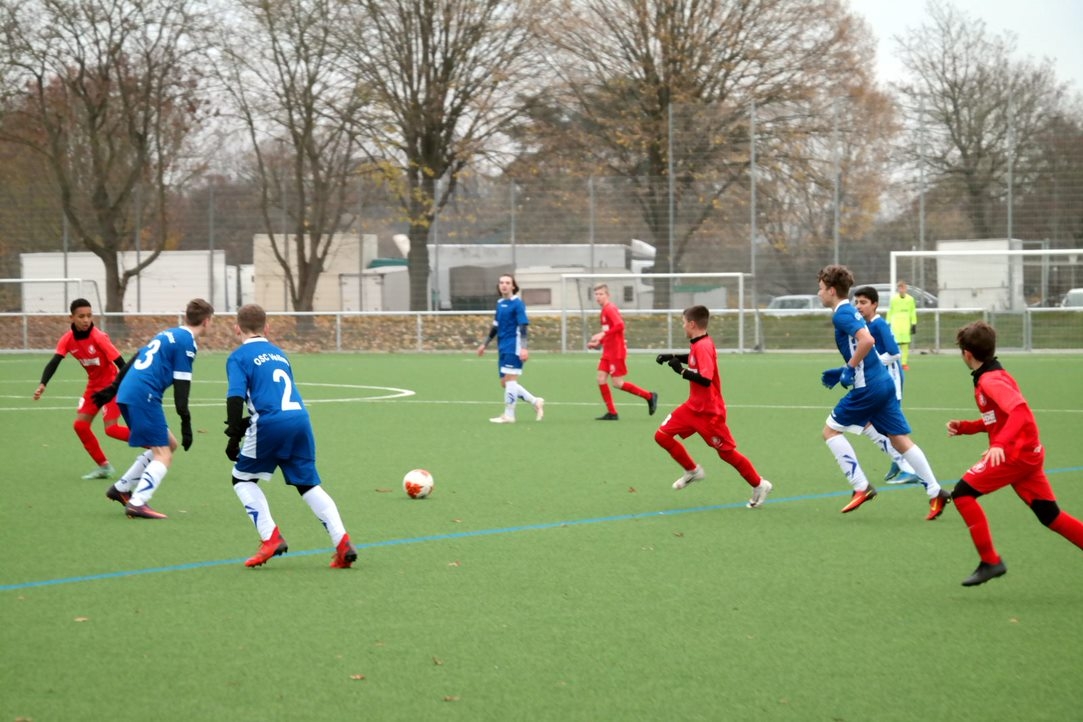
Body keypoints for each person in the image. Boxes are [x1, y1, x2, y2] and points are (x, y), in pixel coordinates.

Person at [947, 321, 1083, 586]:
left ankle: (990, 561)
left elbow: (1020, 411)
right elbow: (1000, 418)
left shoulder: (991, 380)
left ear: (967, 354)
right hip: (1026, 453)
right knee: (1050, 515)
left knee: (962, 494)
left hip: (1015, 455)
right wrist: (967, 427)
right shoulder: (992, 374)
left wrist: (999, 445)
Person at [224, 304, 357, 569]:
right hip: (300, 421)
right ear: (267, 328)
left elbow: (235, 398)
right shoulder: (279, 354)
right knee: (308, 485)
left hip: (270, 423)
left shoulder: (238, 357)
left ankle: (270, 538)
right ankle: (342, 543)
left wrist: (233, 437)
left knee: (242, 479)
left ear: (237, 328)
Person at [817, 265, 948, 519]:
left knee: (830, 431)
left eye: (821, 288)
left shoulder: (841, 314)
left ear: (832, 291)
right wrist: (845, 368)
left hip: (868, 387)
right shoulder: (850, 311)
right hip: (883, 382)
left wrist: (850, 368)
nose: (819, 293)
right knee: (900, 440)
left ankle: (861, 486)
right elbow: (864, 347)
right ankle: (935, 491)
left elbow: (867, 341)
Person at [93, 298, 215, 519]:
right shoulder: (187, 342)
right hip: (144, 395)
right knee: (163, 454)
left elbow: (135, 358)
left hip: (129, 392)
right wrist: (186, 424)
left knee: (169, 444)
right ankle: (138, 502)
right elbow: (182, 389)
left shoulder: (168, 333)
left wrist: (113, 389)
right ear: (206, 321)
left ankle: (121, 489)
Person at [654, 305, 772, 509]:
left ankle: (760, 484)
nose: (683, 326)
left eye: (683, 322)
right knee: (662, 436)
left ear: (692, 324)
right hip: (692, 407)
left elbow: (706, 379)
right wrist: (671, 356)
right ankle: (693, 471)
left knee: (726, 453)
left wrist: (681, 371)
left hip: (709, 413)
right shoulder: (698, 343)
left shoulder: (704, 346)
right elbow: (693, 358)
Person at [33, 299, 130, 479]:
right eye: (81, 316)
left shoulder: (98, 337)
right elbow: (54, 362)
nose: (86, 320)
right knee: (80, 426)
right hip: (93, 386)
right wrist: (42, 383)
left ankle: (154, 444)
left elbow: (121, 363)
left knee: (111, 429)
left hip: (111, 385)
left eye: (89, 316)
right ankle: (104, 467)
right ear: (72, 318)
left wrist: (126, 384)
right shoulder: (67, 339)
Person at [850, 286, 920, 485]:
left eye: (863, 302)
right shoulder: (865, 325)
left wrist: (874, 362)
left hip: (891, 380)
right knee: (878, 425)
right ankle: (899, 461)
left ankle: (907, 466)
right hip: (878, 381)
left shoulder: (879, 324)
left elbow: (895, 352)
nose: (859, 306)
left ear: (874, 304)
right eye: (857, 302)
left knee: (888, 426)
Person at [476, 273, 544, 424]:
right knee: (505, 383)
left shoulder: (517, 304)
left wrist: (524, 348)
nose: (504, 285)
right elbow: (495, 326)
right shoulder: (500, 303)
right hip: (502, 346)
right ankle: (535, 401)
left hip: (514, 346)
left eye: (507, 283)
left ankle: (509, 415)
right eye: (501, 282)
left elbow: (523, 326)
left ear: (513, 286)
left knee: (511, 381)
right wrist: (484, 344)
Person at [587, 283, 658, 420]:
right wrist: (598, 343)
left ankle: (649, 396)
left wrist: (601, 334)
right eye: (596, 294)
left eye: (601, 294)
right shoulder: (604, 310)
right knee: (601, 379)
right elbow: (609, 331)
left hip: (616, 352)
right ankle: (612, 413)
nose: (598, 297)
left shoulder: (610, 309)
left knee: (617, 383)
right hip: (608, 351)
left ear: (608, 295)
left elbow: (620, 325)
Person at [887, 280, 917, 370]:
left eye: (903, 288)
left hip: (906, 325)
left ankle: (904, 363)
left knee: (905, 345)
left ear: (906, 289)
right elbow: (890, 311)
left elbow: (912, 312)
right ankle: (896, 362)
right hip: (896, 325)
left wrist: (914, 323)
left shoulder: (910, 299)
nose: (901, 290)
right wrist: (887, 323)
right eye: (900, 288)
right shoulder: (894, 300)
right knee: (896, 344)